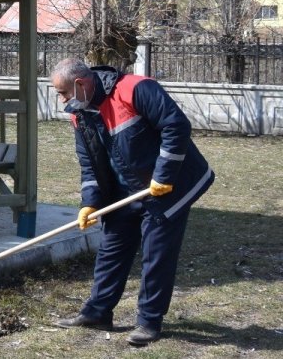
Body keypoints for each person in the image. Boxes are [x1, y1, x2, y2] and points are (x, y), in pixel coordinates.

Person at [50, 58, 215, 347]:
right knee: (111, 249)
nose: (62, 100)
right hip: (124, 193)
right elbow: (89, 164)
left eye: (63, 93)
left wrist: (164, 175)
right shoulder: (80, 114)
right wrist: (90, 203)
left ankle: (149, 321)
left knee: (156, 254)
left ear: (80, 84)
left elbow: (176, 126)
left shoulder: (136, 89)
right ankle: (98, 312)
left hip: (167, 188)